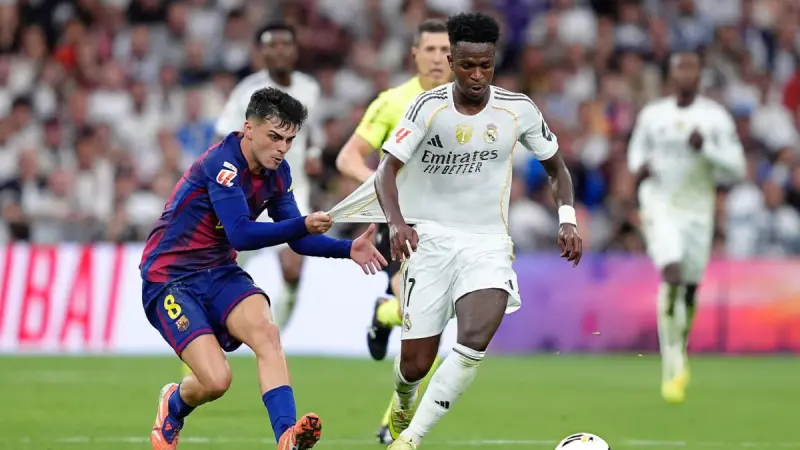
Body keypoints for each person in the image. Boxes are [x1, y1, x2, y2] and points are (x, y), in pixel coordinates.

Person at [327, 12, 582, 450]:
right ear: (452, 61)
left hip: (488, 243)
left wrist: (567, 218)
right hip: (428, 240)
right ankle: (403, 400)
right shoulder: (427, 108)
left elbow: (556, 167)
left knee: (473, 342)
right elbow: (386, 172)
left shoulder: (517, 109)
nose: (477, 75)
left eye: (485, 65)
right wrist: (397, 223)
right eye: (467, 65)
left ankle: (410, 440)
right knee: (415, 365)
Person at [141, 87, 386, 450]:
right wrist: (303, 224)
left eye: (289, 140)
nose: (282, 148)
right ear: (248, 129)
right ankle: (173, 405)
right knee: (216, 381)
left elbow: (298, 241)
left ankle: (286, 436)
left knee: (267, 334)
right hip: (170, 278)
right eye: (274, 137)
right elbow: (240, 234)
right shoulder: (221, 165)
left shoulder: (278, 173)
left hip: (220, 272)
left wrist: (348, 249)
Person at [335, 18, 451, 444]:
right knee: (424, 324)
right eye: (430, 50)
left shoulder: (470, 105)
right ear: (414, 55)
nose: (438, 58)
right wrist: (383, 189)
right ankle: (393, 424)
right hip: (404, 225)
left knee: (431, 323)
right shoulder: (392, 102)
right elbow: (348, 157)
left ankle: (385, 314)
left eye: (446, 50)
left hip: (454, 227)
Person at [627, 52, 745, 404]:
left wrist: (706, 148)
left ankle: (681, 344)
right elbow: (636, 153)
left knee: (690, 290)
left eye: (692, 68)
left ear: (700, 75)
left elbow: (737, 167)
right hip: (659, 204)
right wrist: (640, 168)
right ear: (671, 75)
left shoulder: (715, 118)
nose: (686, 74)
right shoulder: (653, 115)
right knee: (672, 273)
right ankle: (672, 362)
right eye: (680, 68)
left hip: (697, 211)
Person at [215, 22, 324, 333]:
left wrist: (314, 154)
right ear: (261, 53)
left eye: (284, 44)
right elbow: (223, 138)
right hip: (250, 194)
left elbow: (312, 133)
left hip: (292, 191)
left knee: (293, 268)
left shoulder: (309, 89)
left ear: (295, 50)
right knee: (227, 266)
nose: (279, 51)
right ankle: (213, 327)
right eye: (271, 45)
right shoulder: (247, 92)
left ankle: (273, 337)